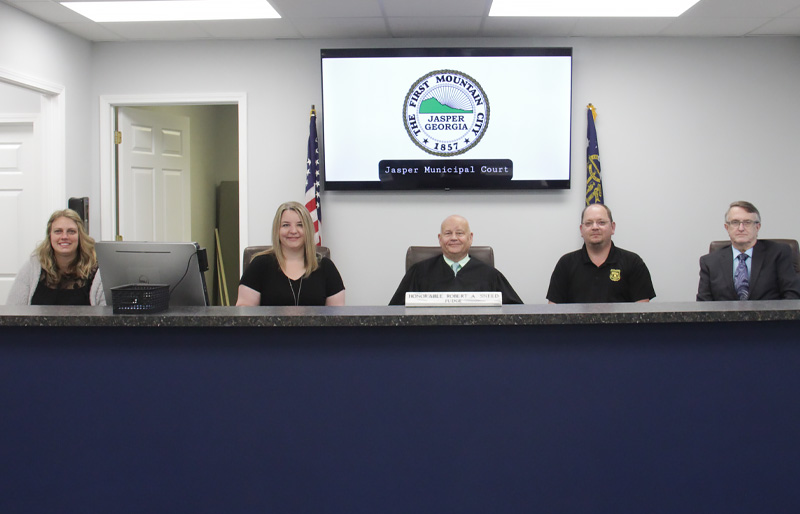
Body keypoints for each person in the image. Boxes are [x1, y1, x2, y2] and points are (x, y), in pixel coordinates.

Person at [389, 215, 523, 305]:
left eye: (460, 233)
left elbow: (517, 314)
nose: (454, 238)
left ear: (470, 238)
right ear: (440, 239)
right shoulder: (418, 272)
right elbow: (394, 314)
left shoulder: (491, 276)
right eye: (448, 233)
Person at [236, 201, 345, 306]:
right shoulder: (259, 265)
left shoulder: (326, 267)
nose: (293, 231)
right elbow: (245, 314)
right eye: (286, 225)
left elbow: (337, 318)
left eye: (300, 225)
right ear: (277, 230)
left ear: (308, 230)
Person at [547, 203, 655, 303]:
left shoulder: (633, 262)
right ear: (581, 230)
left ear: (612, 227)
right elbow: (553, 314)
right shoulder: (566, 264)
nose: (595, 227)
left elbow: (643, 314)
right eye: (588, 223)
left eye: (601, 222)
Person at [697, 201, 800, 301]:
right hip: (724, 318)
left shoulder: (778, 253)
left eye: (747, 222)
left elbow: (792, 297)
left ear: (757, 227)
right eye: (735, 222)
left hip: (769, 318)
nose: (741, 228)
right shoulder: (709, 262)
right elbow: (704, 305)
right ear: (727, 227)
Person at [7, 209, 105, 305]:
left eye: (71, 231)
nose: (64, 236)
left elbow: (107, 316)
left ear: (80, 236)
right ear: (50, 236)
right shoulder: (33, 266)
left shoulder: (97, 270)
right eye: (58, 231)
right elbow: (13, 310)